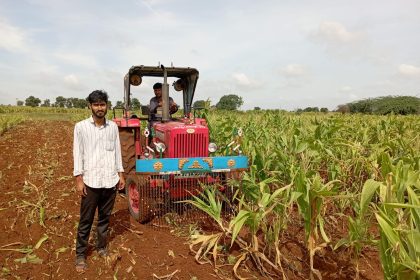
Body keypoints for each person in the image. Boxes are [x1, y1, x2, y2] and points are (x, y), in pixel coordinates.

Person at [73, 90, 125, 272]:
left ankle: (101, 247)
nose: (99, 108)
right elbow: (77, 154)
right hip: (91, 181)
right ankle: (80, 253)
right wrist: (79, 179)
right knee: (86, 219)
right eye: (96, 104)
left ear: (107, 106)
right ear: (90, 106)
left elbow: (117, 151)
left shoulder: (113, 127)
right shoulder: (81, 127)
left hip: (110, 180)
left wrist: (120, 174)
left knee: (104, 218)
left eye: (102, 104)